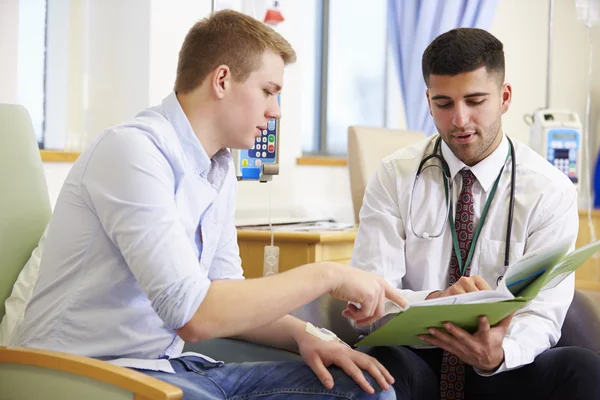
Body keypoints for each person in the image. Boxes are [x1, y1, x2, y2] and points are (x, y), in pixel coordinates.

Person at [9, 10, 403, 400]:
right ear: (222, 80)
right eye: (268, 91)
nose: (276, 110)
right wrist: (325, 275)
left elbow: (226, 296)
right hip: (89, 373)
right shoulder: (132, 151)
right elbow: (194, 316)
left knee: (365, 389)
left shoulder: (216, 168)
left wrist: (306, 334)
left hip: (172, 369)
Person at [349, 27, 600, 400]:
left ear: (505, 97)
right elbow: (370, 295)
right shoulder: (394, 175)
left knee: (583, 368)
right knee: (371, 364)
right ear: (428, 100)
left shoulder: (550, 190)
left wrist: (497, 354)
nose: (459, 120)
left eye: (475, 100)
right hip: (418, 358)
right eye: (444, 103)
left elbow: (543, 313)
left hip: (504, 364)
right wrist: (436, 303)